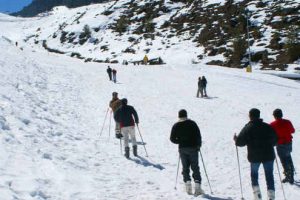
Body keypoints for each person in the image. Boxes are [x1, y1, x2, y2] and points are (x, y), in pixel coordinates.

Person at [234, 108, 277, 200]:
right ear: (258, 115)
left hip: (254, 156)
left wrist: (236, 139)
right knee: (269, 175)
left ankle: (257, 195)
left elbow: (240, 142)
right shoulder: (267, 126)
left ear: (250, 116)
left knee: (254, 174)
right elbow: (275, 140)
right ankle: (271, 196)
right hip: (268, 155)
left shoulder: (248, 128)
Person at [170, 109, 204, 196]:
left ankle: (188, 186)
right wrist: (198, 145)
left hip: (182, 149)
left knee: (185, 167)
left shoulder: (176, 125)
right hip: (193, 148)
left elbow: (172, 139)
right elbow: (198, 135)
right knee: (195, 167)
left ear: (179, 116)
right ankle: (197, 187)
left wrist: (180, 141)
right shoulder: (192, 123)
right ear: (186, 115)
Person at [270, 109, 295, 184]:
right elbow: (292, 131)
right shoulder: (287, 122)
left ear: (274, 116)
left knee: (284, 160)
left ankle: (288, 176)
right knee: (288, 157)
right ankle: (291, 174)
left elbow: (271, 135)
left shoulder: (272, 124)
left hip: (280, 144)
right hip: (289, 143)